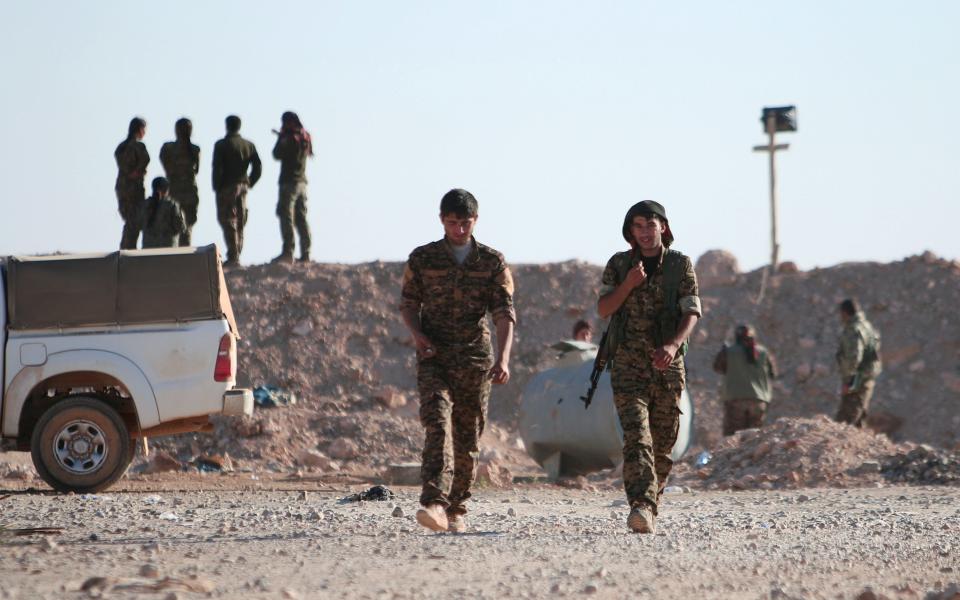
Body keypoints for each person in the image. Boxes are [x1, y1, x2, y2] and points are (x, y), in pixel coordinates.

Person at [399, 189, 516, 534]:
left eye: (465, 223)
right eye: (452, 223)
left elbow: (504, 314)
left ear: (475, 221)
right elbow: (408, 304)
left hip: (475, 360)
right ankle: (434, 502)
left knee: (468, 437)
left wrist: (505, 358)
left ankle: (457, 508)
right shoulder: (423, 259)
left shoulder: (493, 262)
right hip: (434, 356)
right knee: (436, 422)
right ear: (441, 220)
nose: (459, 230)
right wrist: (417, 335)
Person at [597, 200, 700, 534]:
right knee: (637, 438)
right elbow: (603, 309)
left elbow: (692, 312)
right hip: (628, 366)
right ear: (630, 232)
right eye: (637, 226)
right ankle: (640, 506)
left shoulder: (680, 265)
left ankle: (650, 502)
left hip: (666, 367)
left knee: (662, 445)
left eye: (650, 225)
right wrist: (628, 284)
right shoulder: (619, 264)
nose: (644, 232)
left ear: (663, 228)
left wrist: (672, 345)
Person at [211, 115, 262, 266]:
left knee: (227, 219)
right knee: (240, 219)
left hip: (227, 186)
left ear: (227, 126)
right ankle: (237, 253)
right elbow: (258, 166)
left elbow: (217, 168)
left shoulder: (222, 145)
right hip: (243, 185)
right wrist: (250, 181)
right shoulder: (248, 145)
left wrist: (217, 186)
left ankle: (233, 255)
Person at [713, 324, 778, 436]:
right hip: (759, 400)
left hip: (735, 399)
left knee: (732, 438)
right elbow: (773, 374)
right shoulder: (764, 352)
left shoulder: (729, 352)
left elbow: (718, 368)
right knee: (753, 439)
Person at [271, 111, 313, 263]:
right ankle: (306, 252)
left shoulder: (289, 138)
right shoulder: (305, 136)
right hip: (302, 183)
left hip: (289, 183)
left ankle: (288, 251)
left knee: (286, 215)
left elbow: (276, 154)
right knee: (301, 218)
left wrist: (281, 138)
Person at [835, 298, 882, 427]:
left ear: (845, 313)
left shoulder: (854, 330)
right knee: (859, 419)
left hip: (857, 381)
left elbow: (853, 358)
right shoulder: (866, 325)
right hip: (867, 378)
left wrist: (849, 383)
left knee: (844, 423)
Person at [159, 118, 200, 246]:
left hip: (172, 191)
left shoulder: (167, 148)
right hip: (190, 192)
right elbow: (197, 169)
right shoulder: (194, 150)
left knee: (172, 225)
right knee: (187, 226)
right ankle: (185, 254)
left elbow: (164, 163)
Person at [114, 117, 150, 250]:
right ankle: (128, 251)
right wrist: (138, 172)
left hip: (122, 187)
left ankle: (126, 249)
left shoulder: (121, 147)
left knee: (129, 220)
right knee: (134, 221)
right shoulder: (138, 146)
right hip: (134, 188)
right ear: (139, 129)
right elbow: (145, 160)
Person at [140, 177, 187, 249]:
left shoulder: (144, 205)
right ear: (166, 189)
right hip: (167, 252)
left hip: (148, 252)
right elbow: (181, 227)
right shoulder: (171, 205)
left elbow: (137, 225)